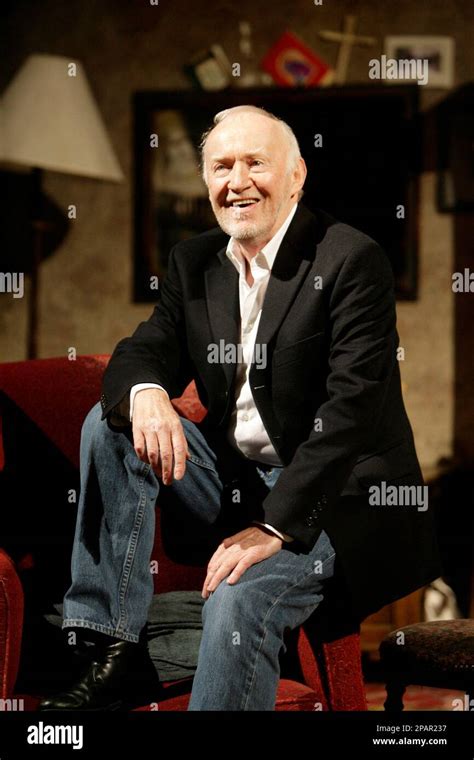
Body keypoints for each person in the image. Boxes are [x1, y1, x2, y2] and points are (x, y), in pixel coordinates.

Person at [39, 105, 441, 712]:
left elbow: (351, 410)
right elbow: (141, 351)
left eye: (256, 163)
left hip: (343, 496)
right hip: (235, 482)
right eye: (222, 166)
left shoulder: (350, 260)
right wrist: (148, 391)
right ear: (206, 182)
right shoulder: (194, 262)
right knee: (112, 420)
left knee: (238, 596)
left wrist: (274, 527)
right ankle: (107, 644)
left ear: (297, 176)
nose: (238, 181)